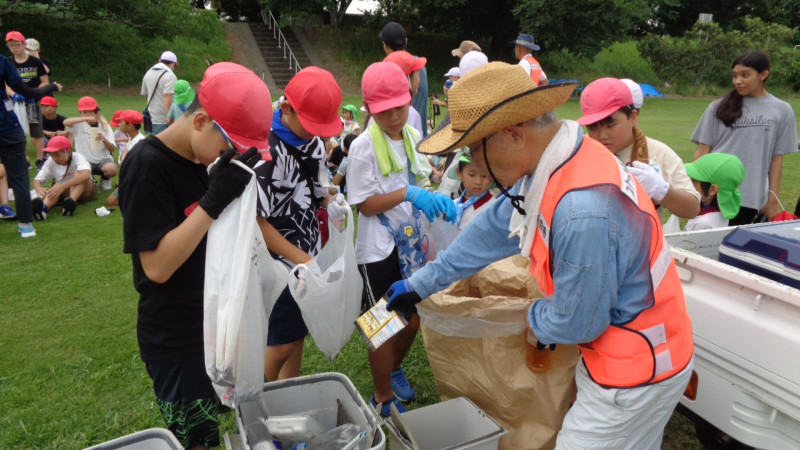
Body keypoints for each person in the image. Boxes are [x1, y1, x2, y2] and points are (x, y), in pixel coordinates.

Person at [383, 62, 694, 448]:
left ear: (514, 135)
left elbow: (577, 321)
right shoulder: (554, 162)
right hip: (631, 349)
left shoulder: (582, 210)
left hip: (635, 368)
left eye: (475, 151)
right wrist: (421, 283)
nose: (473, 165)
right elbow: (490, 231)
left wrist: (525, 318)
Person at [119, 62, 269, 450]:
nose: (231, 156)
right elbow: (156, 267)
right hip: (176, 340)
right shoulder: (145, 166)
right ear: (200, 120)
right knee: (196, 441)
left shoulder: (205, 161)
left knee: (215, 430)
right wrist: (214, 200)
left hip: (211, 328)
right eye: (230, 146)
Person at [347, 61, 456, 417]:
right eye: (383, 111)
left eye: (400, 106)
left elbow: (421, 181)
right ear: (369, 109)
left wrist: (433, 198)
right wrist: (408, 194)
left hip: (411, 245)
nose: (394, 116)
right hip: (378, 250)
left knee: (411, 319)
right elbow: (364, 205)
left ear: (410, 97)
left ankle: (393, 369)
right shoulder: (363, 147)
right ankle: (381, 399)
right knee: (381, 326)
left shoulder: (411, 136)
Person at [255, 66, 348, 382]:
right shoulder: (265, 151)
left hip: (307, 256)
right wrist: (303, 261)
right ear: (285, 108)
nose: (315, 134)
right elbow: (258, 222)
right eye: (310, 125)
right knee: (279, 344)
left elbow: (320, 188)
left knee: (295, 338)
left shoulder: (316, 144)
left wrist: (332, 200)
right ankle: (255, 402)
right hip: (278, 265)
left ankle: (289, 393)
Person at [691, 50, 798, 225]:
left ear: (763, 75)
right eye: (735, 76)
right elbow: (703, 151)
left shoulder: (782, 110)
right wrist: (694, 190)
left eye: (745, 75)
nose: (737, 81)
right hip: (713, 192)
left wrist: (772, 199)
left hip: (751, 196)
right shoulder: (717, 107)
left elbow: (776, 159)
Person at [578, 77, 700, 220]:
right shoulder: (579, 150)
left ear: (633, 117)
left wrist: (661, 191)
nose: (602, 135)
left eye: (610, 125)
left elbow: (692, 209)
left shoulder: (658, 153)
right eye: (593, 127)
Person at [0, 48, 61, 237]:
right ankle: (26, 224)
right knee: (18, 175)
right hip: (6, 126)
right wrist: (51, 88)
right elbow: (26, 91)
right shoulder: (1, 61)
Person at [5, 31, 50, 170]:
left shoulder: (35, 62)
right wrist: (13, 94)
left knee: (36, 131)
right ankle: (23, 160)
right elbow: (5, 83)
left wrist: (34, 93)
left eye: (17, 45)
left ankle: (39, 159)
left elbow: (44, 81)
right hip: (16, 103)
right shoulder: (8, 62)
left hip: (32, 101)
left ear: (24, 44)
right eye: (11, 45)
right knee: (19, 131)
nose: (14, 48)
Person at [380, 22, 428, 137]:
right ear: (406, 41)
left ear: (385, 45)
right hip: (420, 137)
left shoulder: (386, 71)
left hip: (398, 137)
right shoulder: (418, 65)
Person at [31, 136, 96, 218]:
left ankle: (70, 203)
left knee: (78, 177)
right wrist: (39, 189)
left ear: (68, 152)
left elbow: (85, 175)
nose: (54, 158)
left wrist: (62, 186)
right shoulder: (50, 161)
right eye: (51, 155)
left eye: (57, 155)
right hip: (65, 191)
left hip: (86, 191)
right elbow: (37, 180)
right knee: (56, 187)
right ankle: (43, 209)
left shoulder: (78, 158)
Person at [63, 96, 117, 191]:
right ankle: (91, 182)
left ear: (96, 112)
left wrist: (103, 139)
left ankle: (105, 179)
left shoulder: (105, 126)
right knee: (79, 174)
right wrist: (84, 119)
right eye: (84, 112)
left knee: (111, 169)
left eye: (90, 111)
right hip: (85, 160)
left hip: (103, 159)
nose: (88, 115)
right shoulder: (78, 124)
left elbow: (112, 149)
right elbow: (66, 122)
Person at [683, 153, 745, 231]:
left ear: (712, 189)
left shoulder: (704, 224)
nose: (689, 185)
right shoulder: (718, 213)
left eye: (693, 182)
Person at [141, 51, 178, 134]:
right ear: (172, 64)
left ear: (159, 61)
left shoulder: (148, 73)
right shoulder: (170, 76)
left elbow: (145, 92)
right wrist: (169, 116)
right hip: (166, 118)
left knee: (158, 143)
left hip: (153, 116)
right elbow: (167, 95)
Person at [453, 154, 493, 229]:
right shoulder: (453, 204)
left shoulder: (493, 209)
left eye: (485, 176)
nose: (478, 182)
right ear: (459, 173)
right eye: (472, 175)